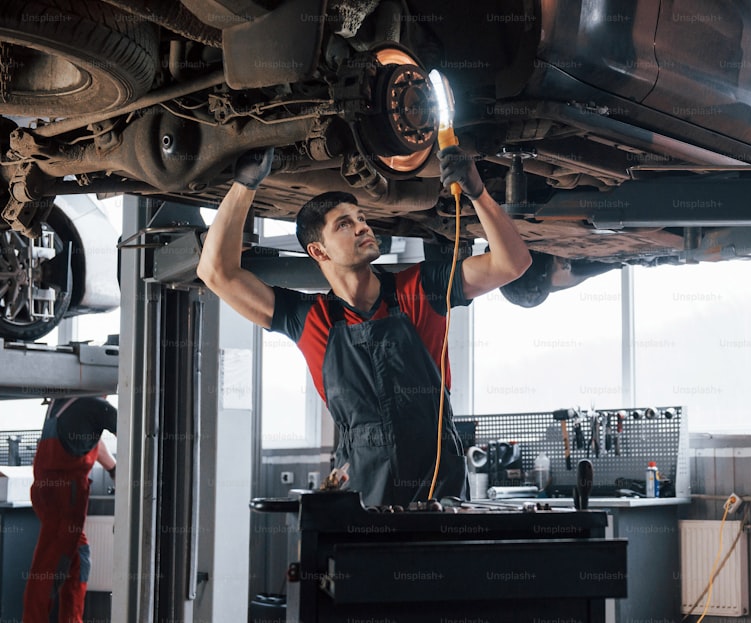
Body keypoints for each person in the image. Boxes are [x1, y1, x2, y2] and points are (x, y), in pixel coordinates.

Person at [197, 145, 531, 506]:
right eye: (345, 224)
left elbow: (513, 263)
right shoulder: (310, 319)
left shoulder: (419, 289)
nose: (362, 227)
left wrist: (477, 191)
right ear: (319, 252)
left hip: (440, 494)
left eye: (361, 218)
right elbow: (216, 272)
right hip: (363, 501)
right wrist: (244, 185)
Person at [23, 395, 117, 623]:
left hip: (45, 494)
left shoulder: (62, 403)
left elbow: (93, 443)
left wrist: (114, 469)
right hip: (65, 499)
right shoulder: (96, 406)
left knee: (78, 559)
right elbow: (135, 430)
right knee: (51, 566)